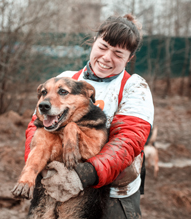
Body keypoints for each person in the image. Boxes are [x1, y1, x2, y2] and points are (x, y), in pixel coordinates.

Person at [24, 14, 154, 219]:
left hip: (114, 195)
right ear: (94, 42)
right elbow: (36, 127)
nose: (106, 58)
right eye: (103, 47)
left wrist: (85, 174)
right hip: (56, 183)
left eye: (118, 54)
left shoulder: (134, 87)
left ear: (129, 58)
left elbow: (128, 141)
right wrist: (38, 168)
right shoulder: (65, 80)